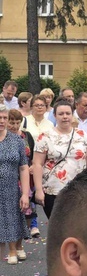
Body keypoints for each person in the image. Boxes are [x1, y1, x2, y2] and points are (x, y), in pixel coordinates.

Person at [32, 100, 87, 219]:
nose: (65, 117)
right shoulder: (45, 136)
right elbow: (37, 164)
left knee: (75, 227)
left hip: (78, 190)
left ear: (72, 115)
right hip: (52, 190)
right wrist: (38, 190)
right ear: (55, 115)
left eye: (68, 113)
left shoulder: (82, 135)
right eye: (61, 114)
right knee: (57, 228)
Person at [0, 106, 30, 272]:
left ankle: (14, 250)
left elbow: (24, 168)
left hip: (11, 192)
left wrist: (25, 194)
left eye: (4, 117)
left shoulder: (17, 140)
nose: (2, 121)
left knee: (8, 232)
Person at [7, 109, 35, 257]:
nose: (15, 126)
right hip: (10, 179)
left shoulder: (26, 136)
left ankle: (19, 245)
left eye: (17, 123)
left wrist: (32, 166)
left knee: (25, 213)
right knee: (11, 213)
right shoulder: (4, 137)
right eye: (12, 122)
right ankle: (12, 248)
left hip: (25, 179)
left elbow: (34, 154)